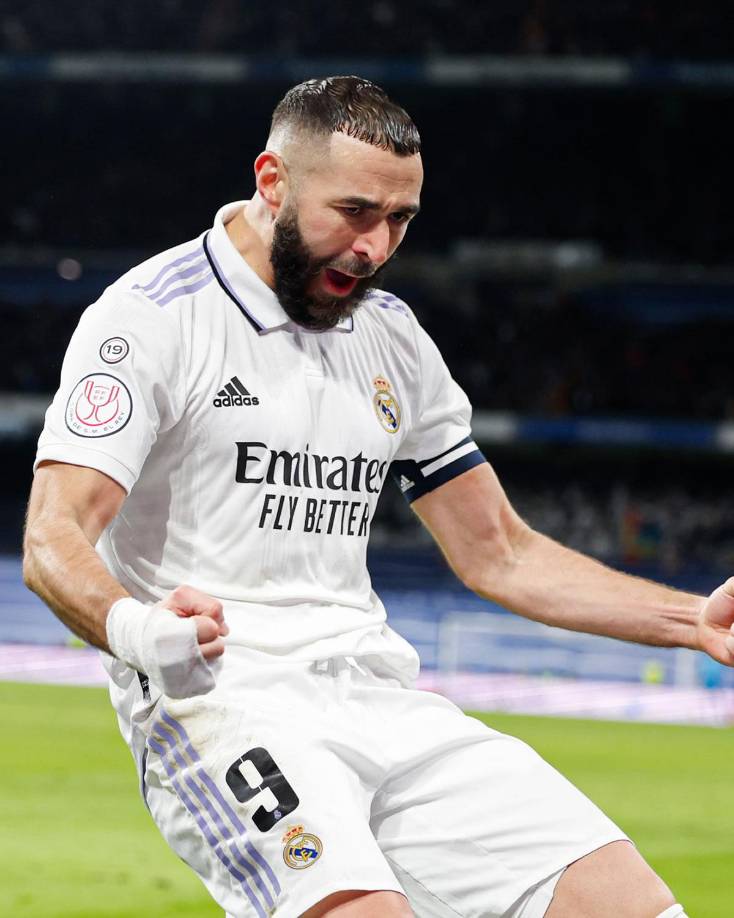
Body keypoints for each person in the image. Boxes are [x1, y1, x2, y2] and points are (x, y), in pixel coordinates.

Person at [23, 76, 732, 918]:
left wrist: (691, 622)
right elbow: (51, 535)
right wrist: (140, 631)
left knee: (633, 906)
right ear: (272, 179)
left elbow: (499, 551)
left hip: (380, 694)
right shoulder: (150, 318)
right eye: (355, 211)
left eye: (400, 219)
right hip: (223, 701)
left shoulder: (391, 333)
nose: (375, 245)